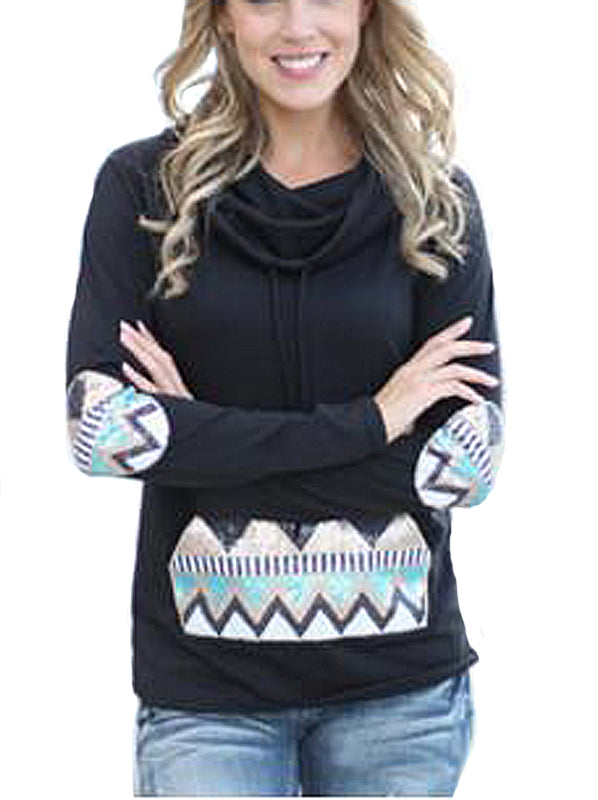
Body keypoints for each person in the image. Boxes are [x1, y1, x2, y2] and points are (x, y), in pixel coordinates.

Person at [66, 0, 504, 795]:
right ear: (223, 16)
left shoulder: (435, 203)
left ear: (366, 9)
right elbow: (103, 434)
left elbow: (461, 472)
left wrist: (196, 439)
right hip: (206, 698)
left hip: (399, 699)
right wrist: (376, 421)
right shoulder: (143, 190)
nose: (298, 26)